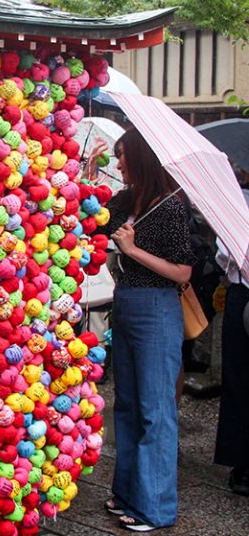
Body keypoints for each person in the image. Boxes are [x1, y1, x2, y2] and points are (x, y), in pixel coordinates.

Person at [84, 129, 195, 532]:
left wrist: (133, 251)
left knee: (155, 409)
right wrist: (89, 171)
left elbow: (182, 270)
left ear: (141, 159)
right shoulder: (129, 199)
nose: (119, 165)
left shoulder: (169, 207)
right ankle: (128, 493)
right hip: (127, 301)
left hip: (157, 308)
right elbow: (94, 219)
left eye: (122, 157)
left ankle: (156, 507)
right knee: (127, 406)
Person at [213, 186, 249, 497]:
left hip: (243, 293)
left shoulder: (237, 201)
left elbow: (224, 254)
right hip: (240, 293)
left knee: (239, 377)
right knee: (237, 376)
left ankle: (242, 464)